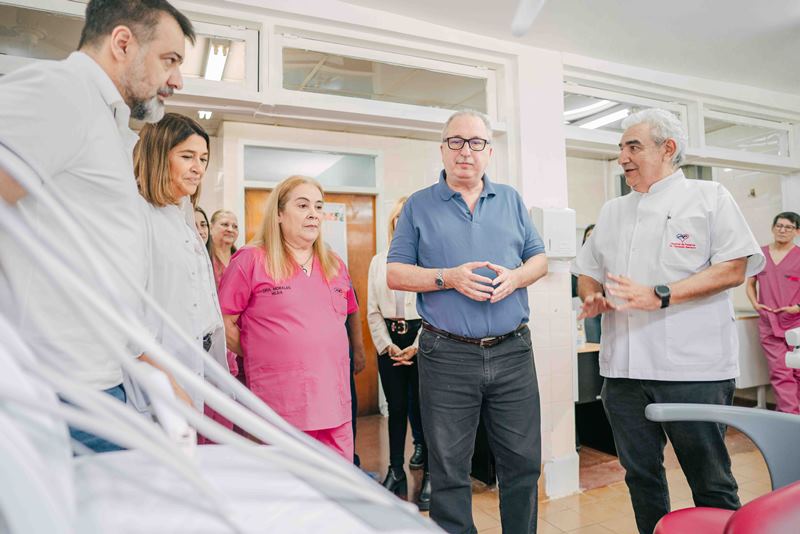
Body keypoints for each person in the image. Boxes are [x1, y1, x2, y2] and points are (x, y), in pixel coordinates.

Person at [0, 0, 194, 452]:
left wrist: (152, 365)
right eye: (170, 60)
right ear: (122, 43)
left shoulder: (105, 122)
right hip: (53, 392)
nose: (177, 80)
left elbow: (101, 269)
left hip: (98, 383)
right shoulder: (62, 92)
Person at [573, 108, 764, 534]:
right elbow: (588, 268)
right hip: (622, 373)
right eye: (621, 147)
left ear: (668, 149)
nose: (622, 156)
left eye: (633, 146)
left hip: (693, 369)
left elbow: (734, 268)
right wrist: (593, 296)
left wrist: (660, 295)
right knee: (642, 478)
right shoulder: (612, 211)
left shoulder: (709, 197)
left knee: (710, 482)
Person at [387, 110, 548, 533]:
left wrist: (516, 278)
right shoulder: (420, 205)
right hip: (447, 355)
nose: (465, 151)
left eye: (476, 142)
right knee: (447, 469)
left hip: (513, 351)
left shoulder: (511, 200)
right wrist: (449, 278)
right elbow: (396, 272)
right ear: (442, 150)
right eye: (455, 141)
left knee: (523, 463)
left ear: (489, 152)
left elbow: (540, 259)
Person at [218, 175, 358, 459]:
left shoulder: (334, 264)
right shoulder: (251, 259)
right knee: (290, 491)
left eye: (319, 207)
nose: (313, 214)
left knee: (337, 489)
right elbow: (223, 321)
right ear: (279, 214)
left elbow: (342, 319)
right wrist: (263, 351)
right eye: (303, 205)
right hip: (281, 405)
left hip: (335, 403)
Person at [133, 112, 230, 415]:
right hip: (156, 372)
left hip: (190, 365)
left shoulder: (183, 216)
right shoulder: (138, 216)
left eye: (203, 159)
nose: (198, 168)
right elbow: (125, 315)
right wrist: (168, 384)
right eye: (187, 156)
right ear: (160, 156)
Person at [368, 196, 430, 509]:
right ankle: (395, 470)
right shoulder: (379, 261)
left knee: (423, 405)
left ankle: (429, 470)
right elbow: (372, 311)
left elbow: (435, 309)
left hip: (422, 338)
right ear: (393, 224)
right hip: (390, 340)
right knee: (396, 406)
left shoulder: (427, 261)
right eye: (397, 219)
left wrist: (417, 346)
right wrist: (386, 344)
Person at [747, 211, 800, 414]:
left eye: (788, 227)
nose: (782, 230)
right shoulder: (760, 255)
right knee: (781, 372)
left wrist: (798, 308)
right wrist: (755, 303)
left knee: (797, 373)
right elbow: (750, 283)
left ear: (797, 231)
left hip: (796, 324)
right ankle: (790, 421)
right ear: (772, 228)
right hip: (770, 323)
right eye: (779, 225)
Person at [208, 209, 239, 287]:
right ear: (211, 228)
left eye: (235, 227)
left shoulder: (241, 258)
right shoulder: (203, 256)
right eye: (225, 224)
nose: (230, 229)